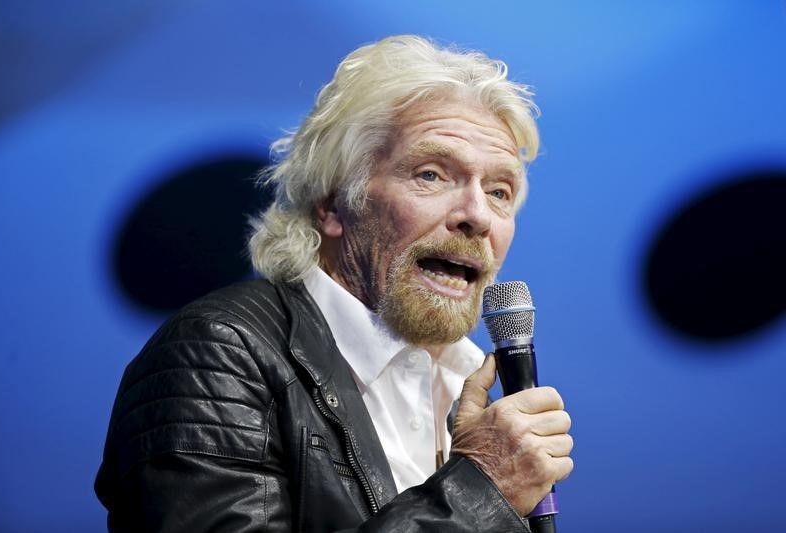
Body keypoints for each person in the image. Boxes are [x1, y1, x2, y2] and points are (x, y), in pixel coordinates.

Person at [95, 35, 573, 532]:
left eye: (500, 191)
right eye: (432, 175)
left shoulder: (469, 389)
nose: (477, 215)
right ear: (332, 203)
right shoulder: (219, 355)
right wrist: (480, 488)